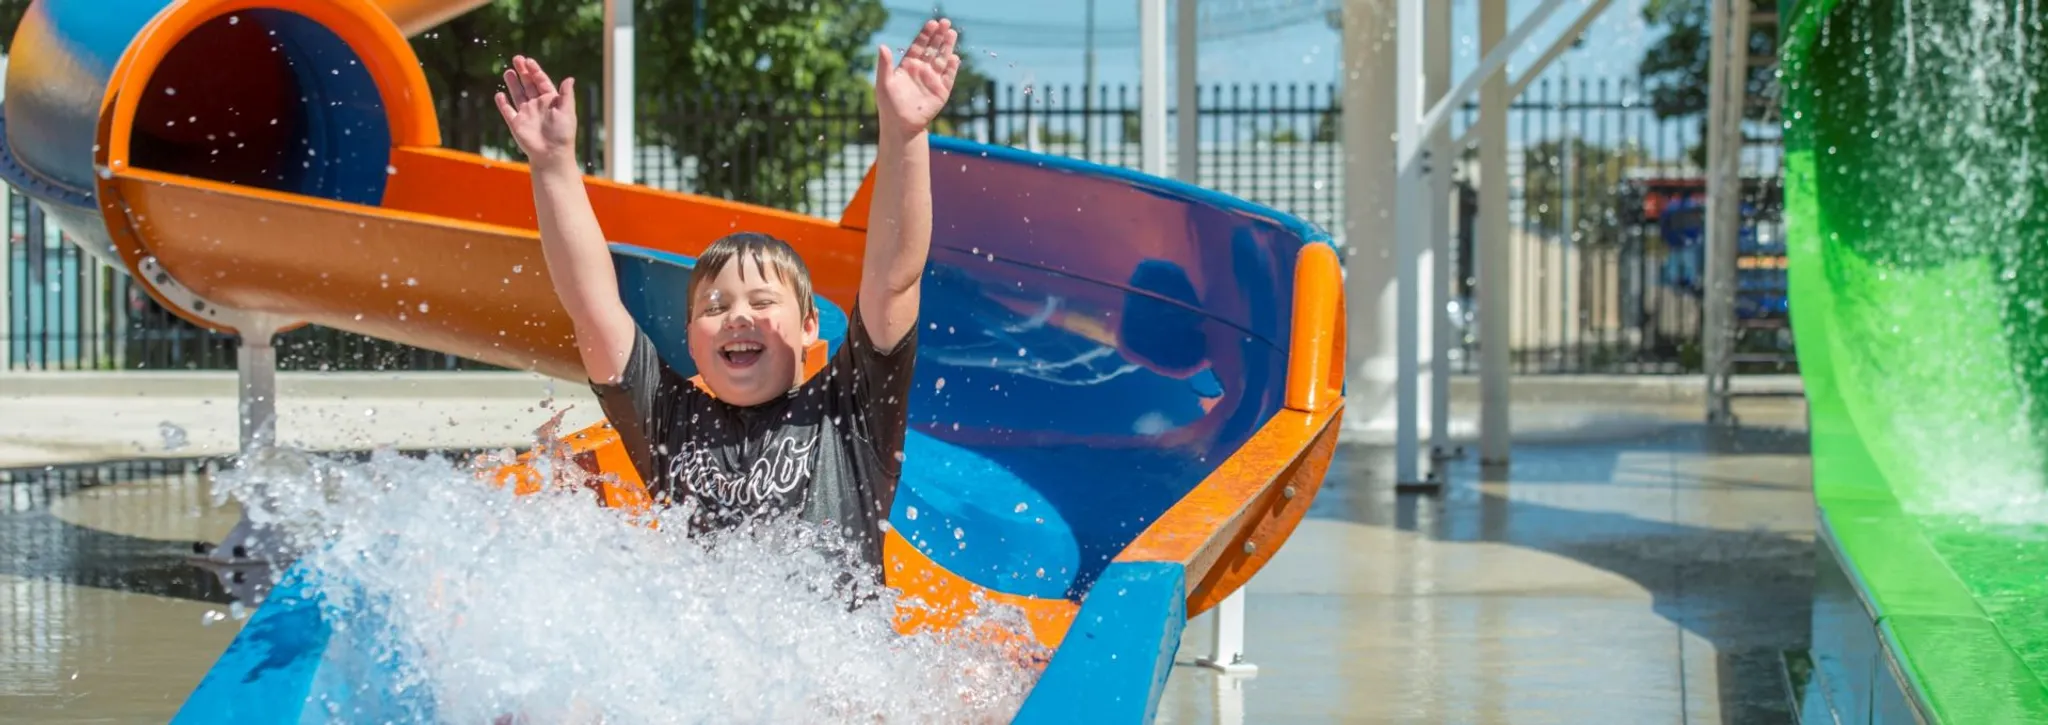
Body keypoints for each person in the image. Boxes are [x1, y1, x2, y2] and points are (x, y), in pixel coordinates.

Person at [493, 19, 962, 582]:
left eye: (763, 302)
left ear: (810, 326)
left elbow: (893, 280)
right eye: (714, 308)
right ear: (690, 337)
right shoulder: (667, 421)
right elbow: (592, 304)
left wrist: (904, 135)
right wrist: (552, 166)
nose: (738, 315)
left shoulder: (849, 412)